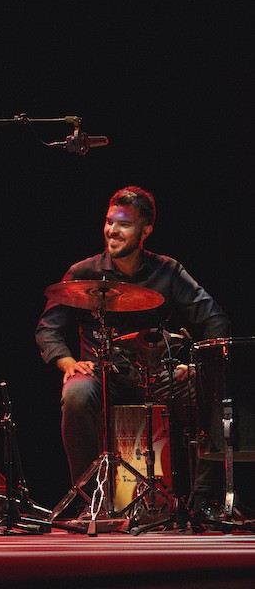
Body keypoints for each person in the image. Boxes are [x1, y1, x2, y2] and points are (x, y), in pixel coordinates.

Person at [35, 186, 230, 520]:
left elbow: (215, 320)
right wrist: (68, 362)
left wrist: (196, 364)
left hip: (156, 376)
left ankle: (203, 501)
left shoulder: (168, 271)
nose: (113, 230)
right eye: (110, 221)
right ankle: (89, 501)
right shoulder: (83, 272)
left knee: (213, 386)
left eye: (124, 224)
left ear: (146, 230)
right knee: (77, 394)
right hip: (102, 375)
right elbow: (47, 328)